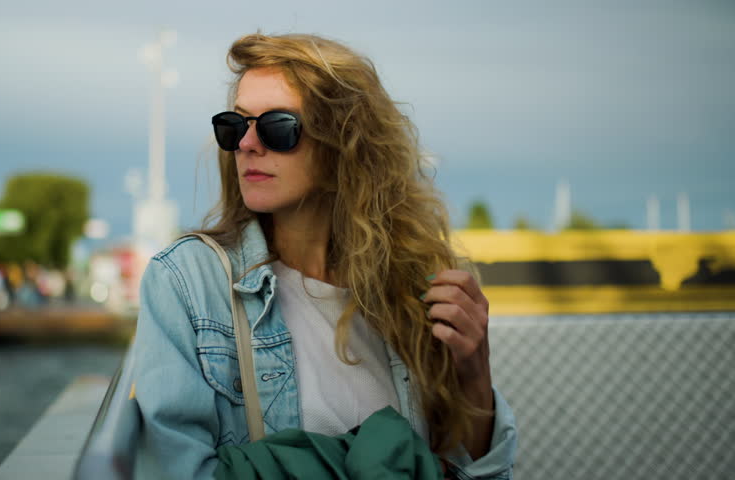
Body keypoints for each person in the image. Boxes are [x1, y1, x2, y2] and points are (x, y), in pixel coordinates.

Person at [126, 33, 517, 479]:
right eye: (235, 126)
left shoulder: (410, 287)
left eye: (277, 127)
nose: (248, 145)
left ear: (344, 144)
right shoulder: (187, 282)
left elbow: (474, 473)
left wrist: (474, 373)